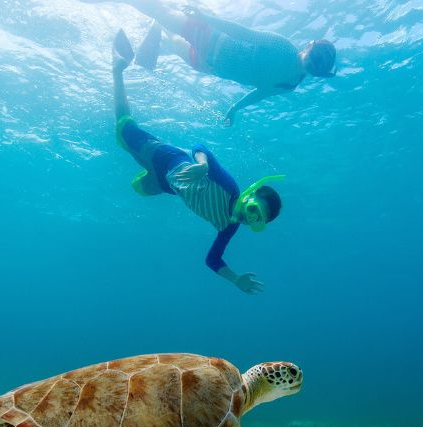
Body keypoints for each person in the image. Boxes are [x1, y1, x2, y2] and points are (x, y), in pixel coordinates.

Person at [110, 30, 283, 293]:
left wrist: (235, 279)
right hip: (169, 159)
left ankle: (142, 164)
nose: (249, 219)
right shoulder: (229, 187)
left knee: (138, 188)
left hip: (167, 184)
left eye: (256, 220)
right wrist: (202, 165)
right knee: (123, 131)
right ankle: (119, 68)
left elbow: (212, 260)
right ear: (249, 196)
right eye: (253, 210)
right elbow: (199, 148)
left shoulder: (229, 227)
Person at [85, 0, 336, 125]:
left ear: (320, 73)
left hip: (209, 65)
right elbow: (242, 33)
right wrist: (206, 18)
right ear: (309, 46)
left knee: (173, 42)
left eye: (319, 67)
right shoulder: (283, 47)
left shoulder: (290, 85)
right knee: (161, 13)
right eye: (316, 57)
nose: (314, 64)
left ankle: (159, 27)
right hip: (210, 37)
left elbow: (259, 94)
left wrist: (234, 109)